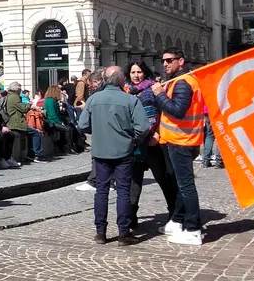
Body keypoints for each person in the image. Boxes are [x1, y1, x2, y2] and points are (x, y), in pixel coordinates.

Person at [78, 66, 150, 246]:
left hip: (101, 151)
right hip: (124, 151)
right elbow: (143, 128)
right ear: (121, 80)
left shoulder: (94, 99)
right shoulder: (130, 100)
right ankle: (123, 234)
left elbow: (82, 124)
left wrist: (98, 132)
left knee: (101, 191)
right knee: (123, 191)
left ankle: (100, 232)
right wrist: (133, 140)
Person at [152, 49, 206, 246]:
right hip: (180, 139)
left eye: (169, 60)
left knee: (185, 186)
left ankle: (193, 229)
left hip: (182, 140)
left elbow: (178, 111)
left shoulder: (183, 82)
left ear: (180, 61)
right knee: (182, 184)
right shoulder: (180, 80)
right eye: (163, 60)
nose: (165, 64)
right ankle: (177, 220)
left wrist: (159, 95)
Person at [127, 61, 176, 229]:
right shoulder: (126, 91)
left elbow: (163, 113)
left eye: (139, 72)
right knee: (134, 181)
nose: (135, 75)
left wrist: (157, 131)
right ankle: (131, 217)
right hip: (135, 143)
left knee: (163, 179)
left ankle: (174, 213)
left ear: (145, 73)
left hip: (153, 142)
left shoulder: (154, 89)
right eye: (133, 72)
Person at [5, 82, 44, 164]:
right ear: (17, 89)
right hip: (16, 123)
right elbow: (23, 109)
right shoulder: (14, 97)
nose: (21, 91)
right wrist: (29, 104)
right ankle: (37, 155)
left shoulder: (10, 96)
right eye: (20, 89)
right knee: (35, 133)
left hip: (13, 122)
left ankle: (31, 154)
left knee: (31, 132)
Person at [42, 84, 71, 154]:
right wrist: (60, 122)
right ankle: (67, 146)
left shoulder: (52, 100)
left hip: (54, 120)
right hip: (51, 121)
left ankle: (64, 147)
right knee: (68, 129)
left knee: (69, 127)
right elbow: (52, 115)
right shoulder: (50, 101)